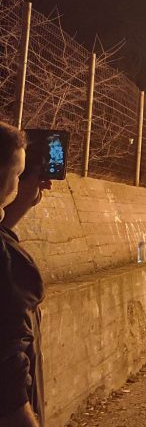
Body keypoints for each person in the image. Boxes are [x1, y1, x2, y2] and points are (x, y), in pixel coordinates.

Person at [0, 122, 53, 427]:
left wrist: (25, 200)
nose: (20, 182)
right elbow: (8, 383)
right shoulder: (8, 264)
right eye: (18, 174)